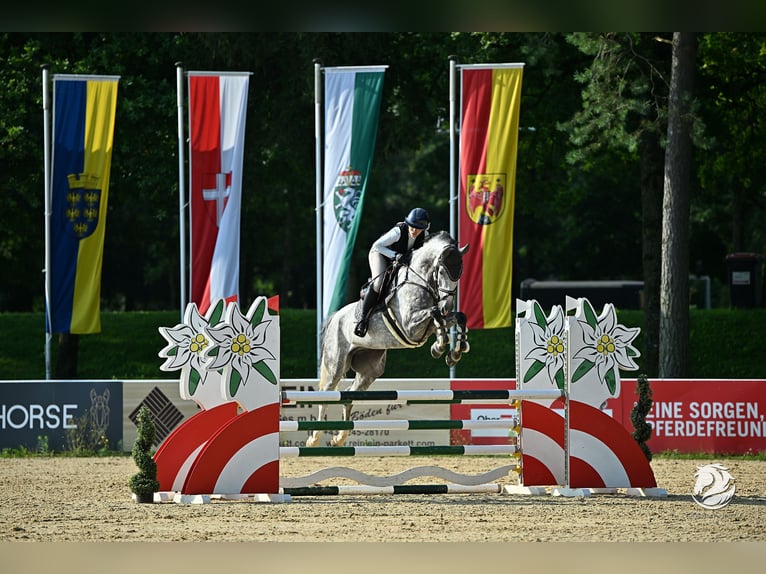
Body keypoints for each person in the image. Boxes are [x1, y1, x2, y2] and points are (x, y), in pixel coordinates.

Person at [354, 207, 430, 337]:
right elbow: (377, 245)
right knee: (378, 283)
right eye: (412, 226)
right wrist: (395, 255)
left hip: (399, 261)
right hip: (380, 254)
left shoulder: (425, 236)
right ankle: (362, 320)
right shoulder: (399, 231)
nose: (414, 230)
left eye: (418, 228)